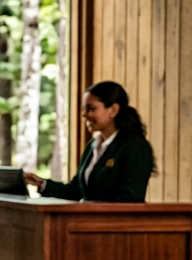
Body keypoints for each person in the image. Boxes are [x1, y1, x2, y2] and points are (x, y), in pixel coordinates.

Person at [24, 80, 155, 203]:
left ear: (113, 110)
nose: (84, 114)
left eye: (91, 108)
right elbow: (76, 191)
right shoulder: (92, 147)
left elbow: (131, 199)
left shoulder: (135, 148)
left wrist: (88, 208)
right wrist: (42, 184)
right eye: (84, 108)